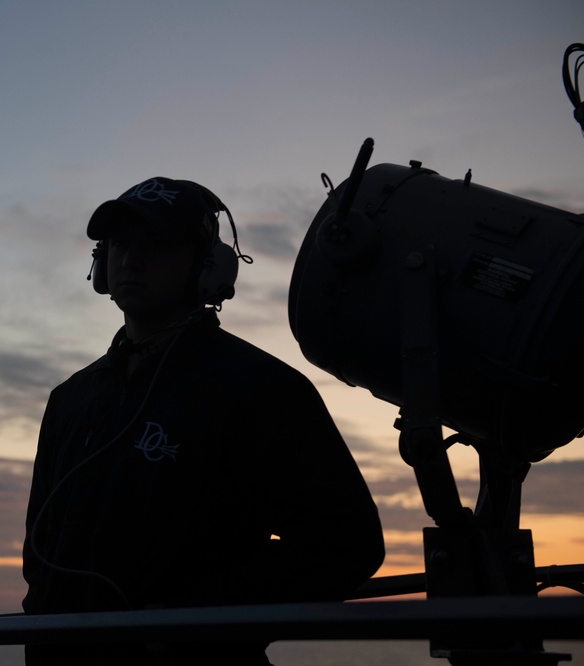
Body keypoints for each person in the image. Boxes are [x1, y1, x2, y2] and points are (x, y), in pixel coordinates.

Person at [21, 177, 385, 664]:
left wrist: (194, 616)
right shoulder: (70, 399)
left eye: (159, 245)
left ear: (208, 267)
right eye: (121, 244)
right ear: (100, 264)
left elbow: (344, 543)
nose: (132, 259)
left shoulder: (260, 388)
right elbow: (40, 551)